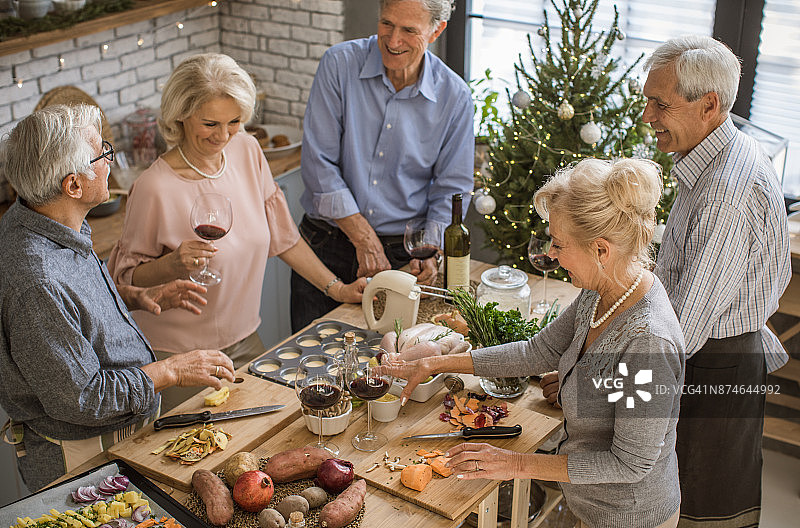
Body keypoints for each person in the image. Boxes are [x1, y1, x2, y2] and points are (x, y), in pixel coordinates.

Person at [382, 158, 685, 528]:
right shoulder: (602, 290)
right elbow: (536, 351)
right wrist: (437, 363)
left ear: (601, 250)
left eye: (559, 244)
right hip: (588, 504)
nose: (552, 255)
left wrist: (516, 464)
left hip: (630, 517)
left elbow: (629, 463)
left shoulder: (647, 341)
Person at [108, 54, 365, 409]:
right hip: (179, 357)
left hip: (245, 339)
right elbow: (124, 281)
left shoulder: (246, 151)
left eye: (234, 121)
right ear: (180, 115)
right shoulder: (154, 187)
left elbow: (283, 237)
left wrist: (338, 288)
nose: (223, 135)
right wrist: (173, 266)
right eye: (210, 123)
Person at [0, 104, 236, 491]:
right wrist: (170, 371)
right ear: (73, 185)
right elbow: (84, 399)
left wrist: (132, 296)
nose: (110, 162)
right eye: (102, 154)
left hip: (110, 439)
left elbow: (68, 314)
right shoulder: (37, 281)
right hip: (81, 457)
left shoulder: (42, 218)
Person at [641, 36, 791, 527]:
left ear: (709, 104)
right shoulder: (709, 156)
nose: (648, 117)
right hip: (708, 359)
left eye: (660, 104)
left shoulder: (727, 190)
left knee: (701, 514)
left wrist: (599, 381)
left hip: (713, 369)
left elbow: (679, 330)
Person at [291, 0, 475, 331]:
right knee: (307, 373)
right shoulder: (339, 64)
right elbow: (319, 165)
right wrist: (365, 241)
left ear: (437, 30)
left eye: (409, 30)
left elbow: (452, 189)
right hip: (325, 248)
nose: (392, 41)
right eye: (387, 24)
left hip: (401, 258)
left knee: (386, 367)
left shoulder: (455, 97)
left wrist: (428, 252)